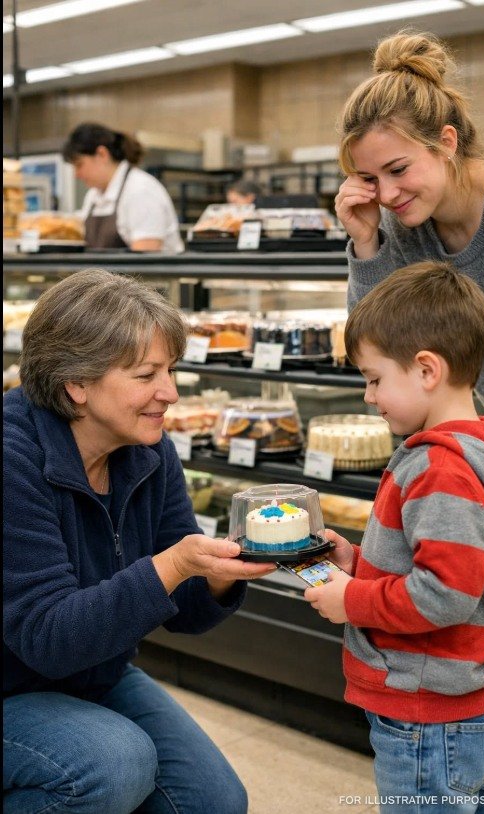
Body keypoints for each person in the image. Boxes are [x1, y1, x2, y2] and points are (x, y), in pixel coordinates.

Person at [334, 30, 484, 809]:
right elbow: (385, 338)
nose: (386, 192)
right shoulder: (402, 221)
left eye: (398, 169)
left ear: (447, 141)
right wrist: (365, 243)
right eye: (367, 178)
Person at [3, 268, 276, 814]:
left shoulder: (147, 450)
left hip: (94, 671)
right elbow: (48, 638)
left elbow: (187, 615)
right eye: (147, 374)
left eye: (170, 370)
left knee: (215, 800)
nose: (170, 393)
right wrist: (172, 565)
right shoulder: (13, 458)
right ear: (75, 384)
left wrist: (219, 574)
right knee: (113, 763)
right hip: (13, 684)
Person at [304, 261, 484, 814]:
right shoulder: (481, 451)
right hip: (463, 700)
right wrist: (359, 560)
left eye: (374, 378)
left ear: (426, 370)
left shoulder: (442, 469)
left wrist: (352, 600)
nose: (368, 396)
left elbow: (444, 594)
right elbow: (452, 565)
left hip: (429, 710)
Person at [63, 123, 183, 253]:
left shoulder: (140, 190)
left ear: (102, 154)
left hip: (142, 273)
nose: (76, 175)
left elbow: (145, 260)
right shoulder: (93, 196)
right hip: (106, 273)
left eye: (79, 165)